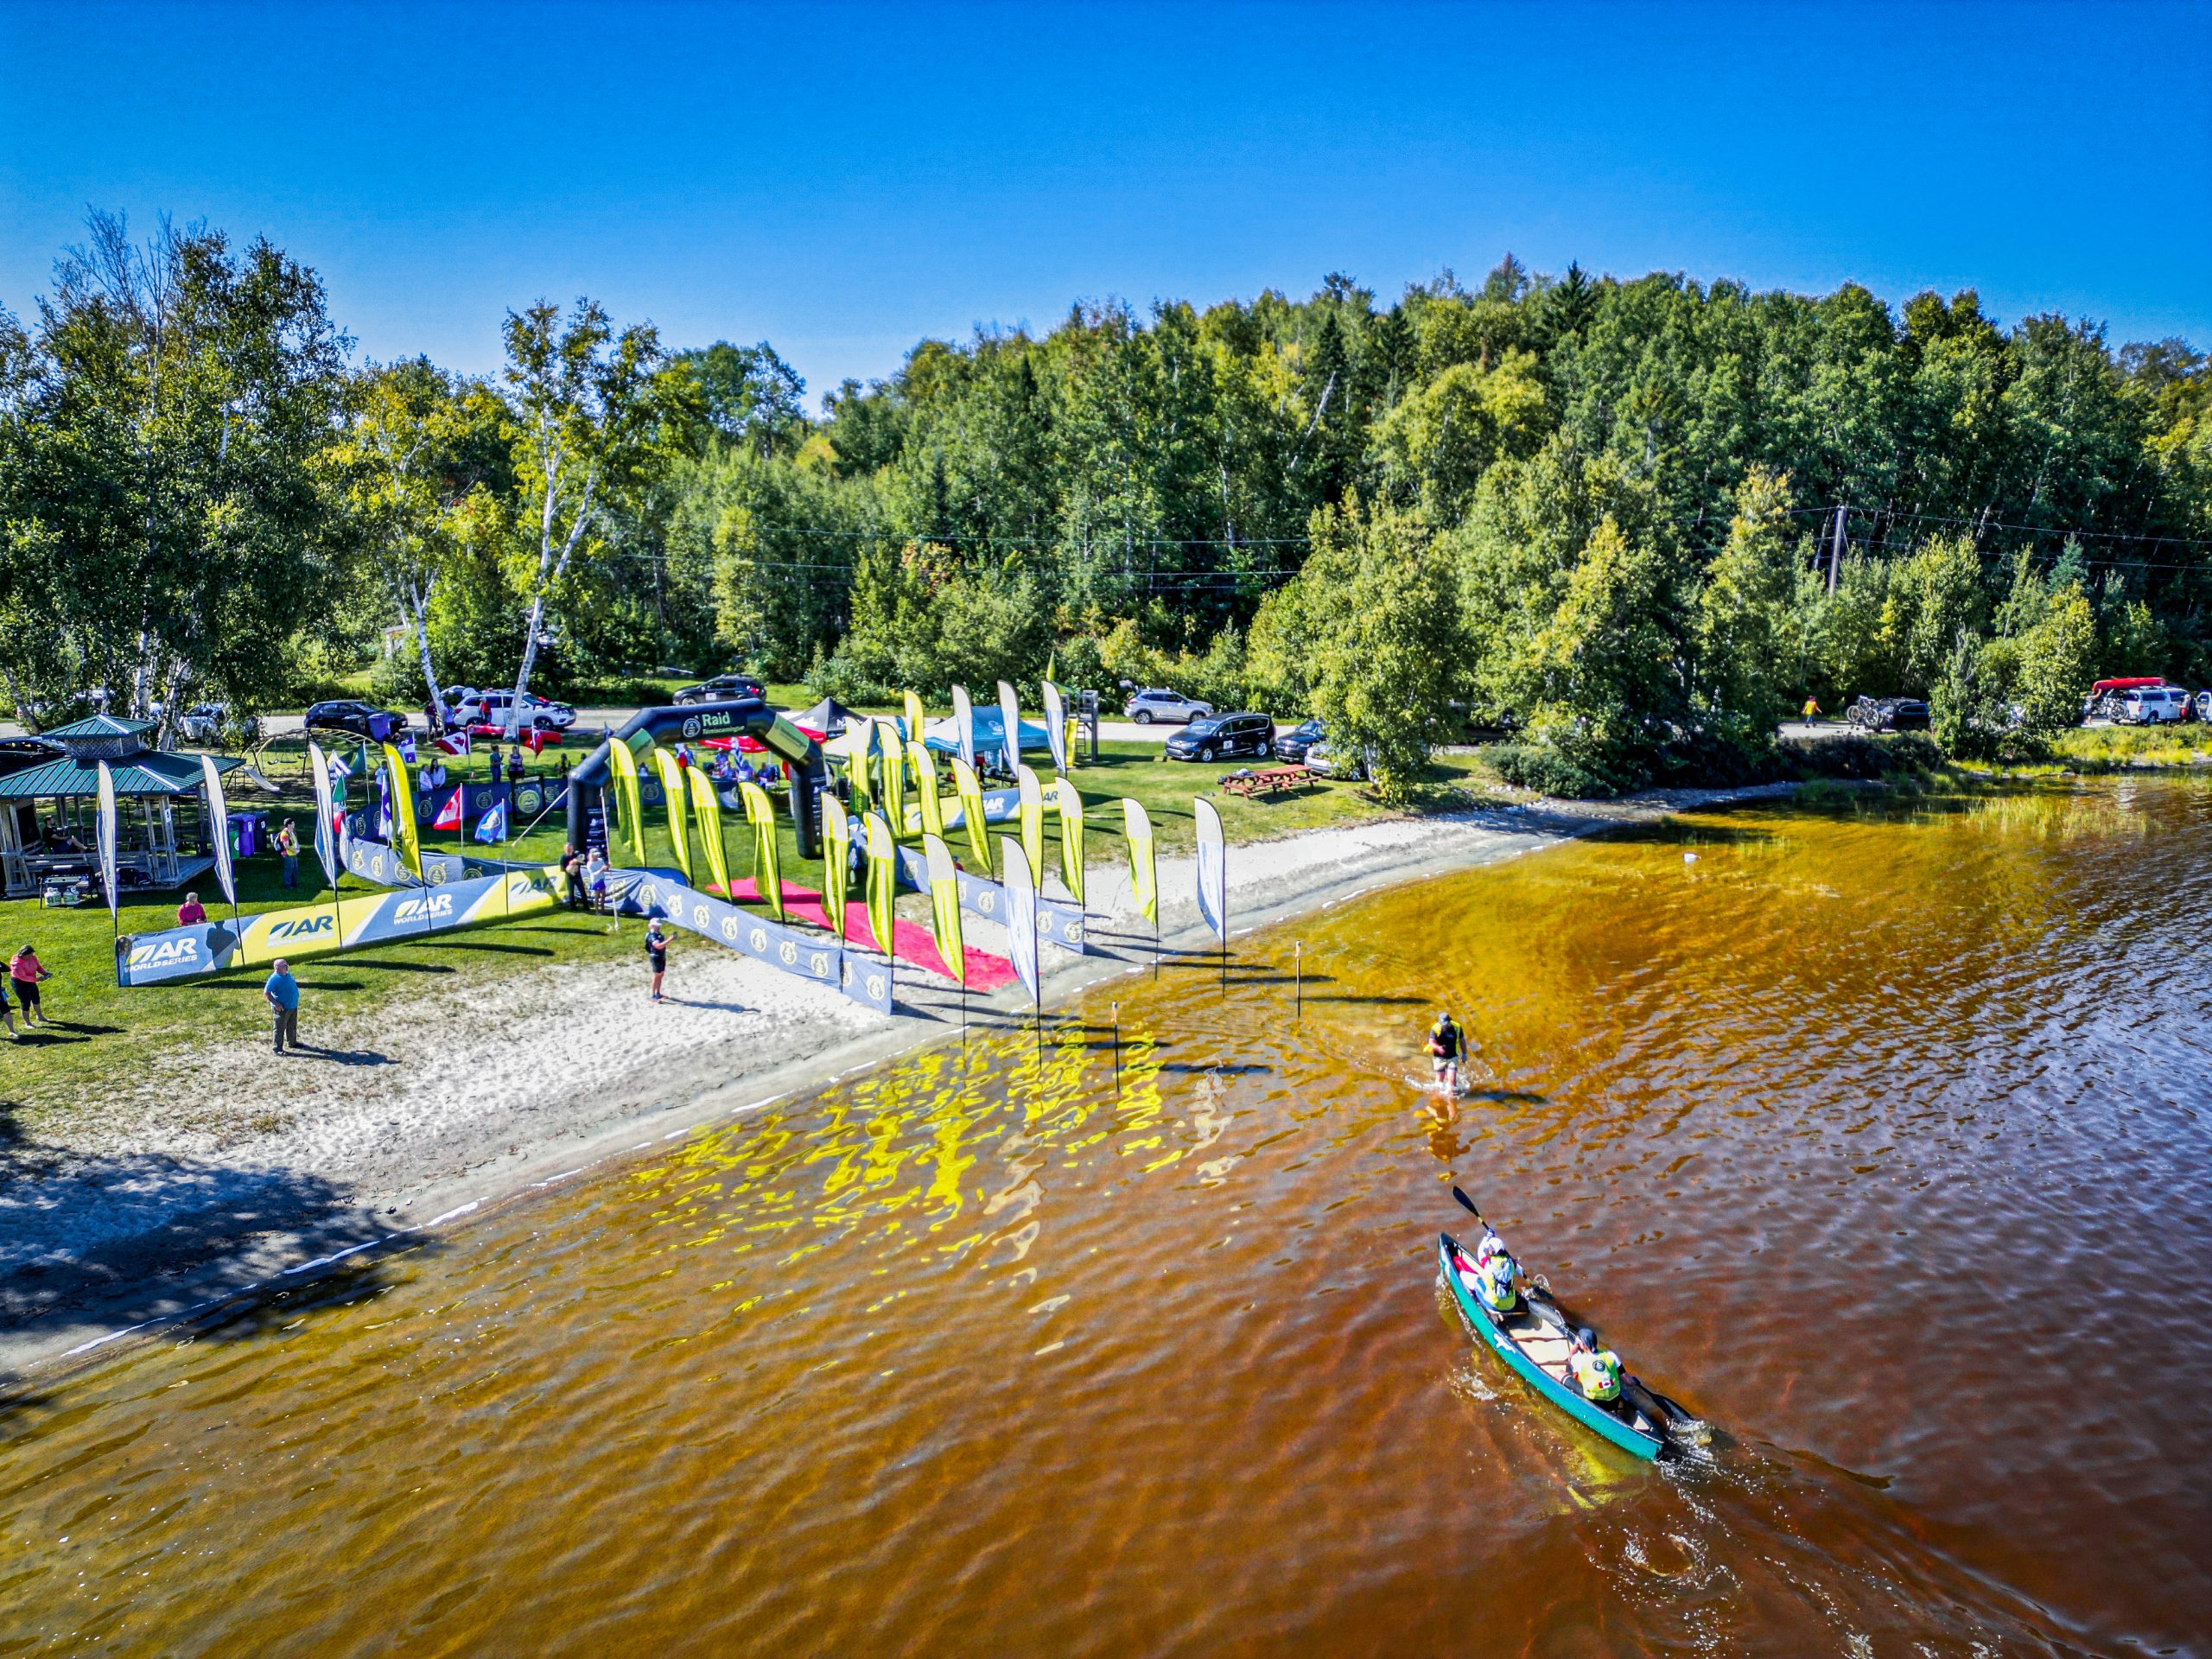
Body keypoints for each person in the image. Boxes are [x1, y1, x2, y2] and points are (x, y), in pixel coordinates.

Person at [1568, 1326, 1626, 1414]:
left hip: (1594, 1401)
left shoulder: (1579, 1359)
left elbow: (1570, 1357)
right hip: (1614, 1402)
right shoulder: (1610, 1355)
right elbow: (1629, 1381)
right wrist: (1635, 1381)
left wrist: (1576, 1345)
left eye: (1580, 1343)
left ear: (1583, 1345)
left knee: (1559, 1373)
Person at [265, 957, 301, 1052]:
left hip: (292, 1006)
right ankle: (277, 1048)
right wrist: (276, 1004)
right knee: (279, 1028)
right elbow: (267, 993)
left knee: (292, 1025)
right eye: (284, 966)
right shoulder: (274, 979)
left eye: (286, 965)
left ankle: (292, 1042)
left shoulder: (287, 974)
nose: (287, 967)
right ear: (277, 968)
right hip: (282, 1008)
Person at [1425, 1009, 1465, 1096]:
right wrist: (1438, 1048)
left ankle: (1452, 1099)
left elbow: (1462, 1040)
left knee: (1452, 1078)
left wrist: (1465, 1053)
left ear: (1449, 1021)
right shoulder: (1435, 1028)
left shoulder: (1457, 1027)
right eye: (1442, 1024)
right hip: (1439, 1057)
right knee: (1440, 1078)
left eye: (1446, 1024)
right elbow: (1431, 1042)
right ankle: (1437, 1097)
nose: (1444, 1026)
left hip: (1452, 1056)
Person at [10, 945, 50, 1027]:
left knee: (36, 998)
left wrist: (45, 973)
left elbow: (38, 967)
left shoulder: (32, 957)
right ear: (23, 954)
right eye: (29, 955)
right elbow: (23, 977)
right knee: (25, 1002)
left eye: (32, 954)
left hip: (31, 980)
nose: (31, 956)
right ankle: (27, 1023)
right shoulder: (16, 964)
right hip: (20, 983)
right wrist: (38, 979)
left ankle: (40, 1016)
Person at [645, 918, 670, 1002]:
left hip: (661, 955)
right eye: (657, 926)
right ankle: (653, 995)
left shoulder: (657, 934)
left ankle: (658, 993)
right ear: (652, 926)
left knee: (661, 974)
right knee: (656, 975)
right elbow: (658, 946)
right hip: (656, 957)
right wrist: (670, 940)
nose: (658, 927)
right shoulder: (652, 936)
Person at [276, 818, 300, 888]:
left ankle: (294, 883)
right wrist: (294, 850)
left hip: (293, 853)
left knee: (295, 868)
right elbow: (286, 845)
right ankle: (287, 884)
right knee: (289, 869)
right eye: (293, 823)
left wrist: (297, 848)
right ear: (289, 825)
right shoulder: (284, 834)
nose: (294, 825)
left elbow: (295, 841)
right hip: (287, 854)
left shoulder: (292, 832)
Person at [584, 846, 609, 912]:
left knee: (603, 895)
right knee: (597, 896)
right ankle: (597, 911)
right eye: (596, 855)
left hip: (601, 879)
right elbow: (593, 873)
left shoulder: (600, 860)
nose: (597, 856)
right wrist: (601, 870)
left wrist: (607, 867)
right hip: (595, 881)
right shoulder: (589, 864)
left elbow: (604, 868)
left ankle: (603, 909)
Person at [560, 843, 585, 909]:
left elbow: (583, 861)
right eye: (567, 849)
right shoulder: (563, 857)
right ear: (565, 849)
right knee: (571, 893)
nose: (569, 850)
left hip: (578, 876)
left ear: (572, 849)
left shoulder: (576, 855)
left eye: (570, 848)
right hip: (569, 878)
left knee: (582, 891)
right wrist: (569, 868)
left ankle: (586, 905)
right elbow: (562, 869)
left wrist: (576, 862)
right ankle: (573, 907)